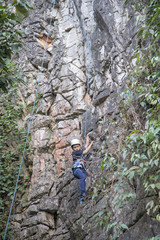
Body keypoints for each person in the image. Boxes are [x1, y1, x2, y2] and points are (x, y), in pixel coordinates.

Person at [71, 132, 94, 204]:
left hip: (81, 169)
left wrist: (87, 136)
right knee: (83, 177)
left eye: (78, 146)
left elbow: (86, 145)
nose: (76, 148)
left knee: (86, 177)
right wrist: (92, 143)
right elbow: (86, 151)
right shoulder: (75, 153)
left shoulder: (80, 150)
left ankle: (83, 197)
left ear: (80, 146)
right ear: (73, 149)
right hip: (76, 170)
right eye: (74, 147)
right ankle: (82, 195)